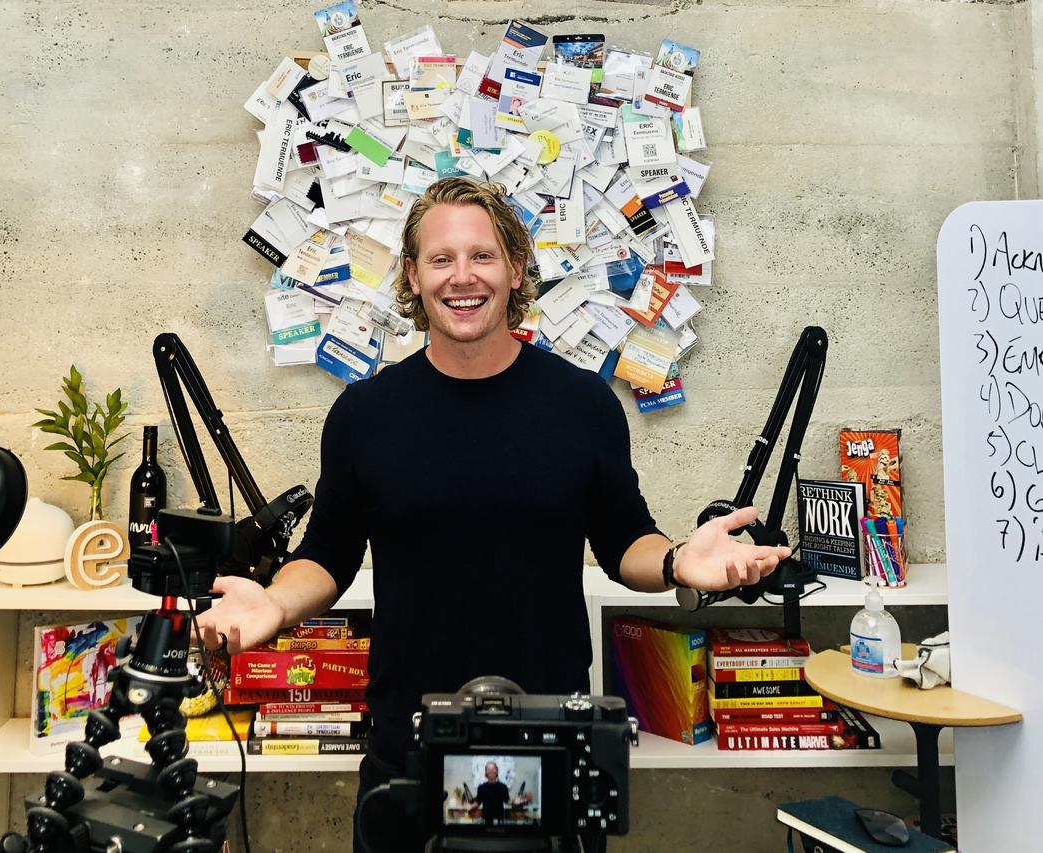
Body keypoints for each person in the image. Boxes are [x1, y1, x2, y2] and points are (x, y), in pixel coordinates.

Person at [198, 177, 790, 852]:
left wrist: (678, 559)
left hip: (550, 742)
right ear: (413, 278)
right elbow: (327, 553)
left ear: (514, 269)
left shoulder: (583, 405)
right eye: (440, 259)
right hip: (409, 749)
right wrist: (274, 605)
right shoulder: (365, 415)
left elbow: (625, 537)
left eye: (481, 255)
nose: (462, 276)